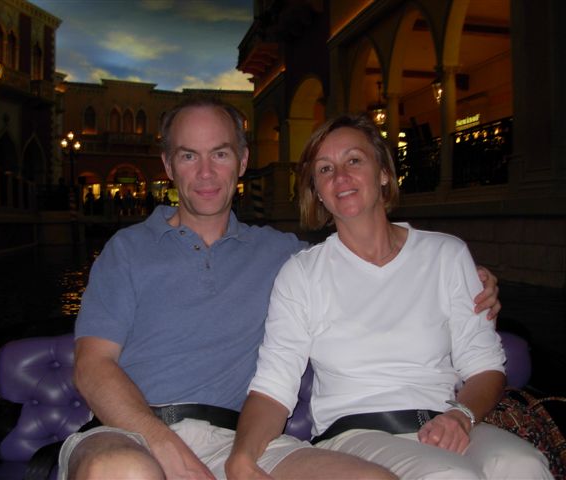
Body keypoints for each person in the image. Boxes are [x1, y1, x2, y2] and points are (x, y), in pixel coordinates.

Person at [58, 99, 500, 480]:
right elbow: (92, 366)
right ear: (169, 165)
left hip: (238, 439)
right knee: (128, 472)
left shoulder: (282, 255)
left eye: (221, 153)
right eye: (189, 156)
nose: (207, 172)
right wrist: (163, 444)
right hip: (129, 435)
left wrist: (465, 275)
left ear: (243, 160)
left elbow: (357, 257)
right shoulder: (127, 249)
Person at [225, 113, 551, 479]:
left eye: (354, 160)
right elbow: (273, 386)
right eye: (325, 169)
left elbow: (486, 366)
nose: (341, 177)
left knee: (524, 466)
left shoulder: (446, 254)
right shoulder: (302, 274)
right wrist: (242, 456)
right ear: (316, 191)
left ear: (383, 172)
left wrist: (461, 415)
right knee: (449, 475)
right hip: (354, 435)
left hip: (447, 420)